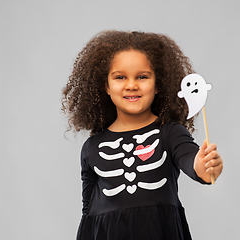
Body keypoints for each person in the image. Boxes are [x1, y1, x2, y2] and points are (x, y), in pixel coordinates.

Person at [61, 30, 223, 240]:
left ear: (158, 85)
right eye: (120, 77)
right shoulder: (92, 147)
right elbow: (88, 212)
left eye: (142, 76)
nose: (131, 85)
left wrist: (203, 166)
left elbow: (190, 159)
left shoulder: (170, 132)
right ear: (106, 87)